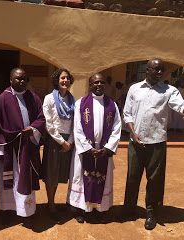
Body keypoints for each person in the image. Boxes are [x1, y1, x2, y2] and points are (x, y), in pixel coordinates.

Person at [122, 58, 184, 230]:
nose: (160, 72)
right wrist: (132, 132)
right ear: (147, 70)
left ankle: (151, 212)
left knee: (154, 180)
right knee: (132, 177)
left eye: (162, 70)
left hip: (157, 143)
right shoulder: (134, 89)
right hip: (135, 142)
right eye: (156, 69)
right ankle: (129, 209)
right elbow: (127, 113)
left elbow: (180, 104)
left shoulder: (169, 91)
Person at [67, 73, 122, 223]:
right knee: (82, 179)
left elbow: (117, 127)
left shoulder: (112, 104)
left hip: (103, 151)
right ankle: (81, 210)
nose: (99, 85)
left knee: (102, 180)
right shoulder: (81, 103)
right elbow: (77, 128)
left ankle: (100, 208)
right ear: (90, 85)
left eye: (101, 82)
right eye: (95, 82)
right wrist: (87, 148)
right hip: (85, 151)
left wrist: (108, 148)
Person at [0, 68, 45, 223]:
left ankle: (26, 210)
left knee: (26, 178)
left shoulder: (33, 97)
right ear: (11, 80)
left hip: (27, 147)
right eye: (18, 79)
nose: (22, 81)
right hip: (11, 147)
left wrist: (33, 129)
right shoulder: (3, 98)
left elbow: (41, 117)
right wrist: (8, 139)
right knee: (9, 177)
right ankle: (7, 210)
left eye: (24, 78)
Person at [42, 68, 76, 221]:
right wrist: (61, 141)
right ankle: (50, 203)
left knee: (61, 172)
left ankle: (58, 201)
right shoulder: (49, 98)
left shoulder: (72, 100)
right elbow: (48, 123)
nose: (65, 81)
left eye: (67, 78)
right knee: (51, 172)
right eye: (62, 78)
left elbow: (76, 123)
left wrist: (69, 142)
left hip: (68, 141)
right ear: (57, 80)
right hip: (54, 139)